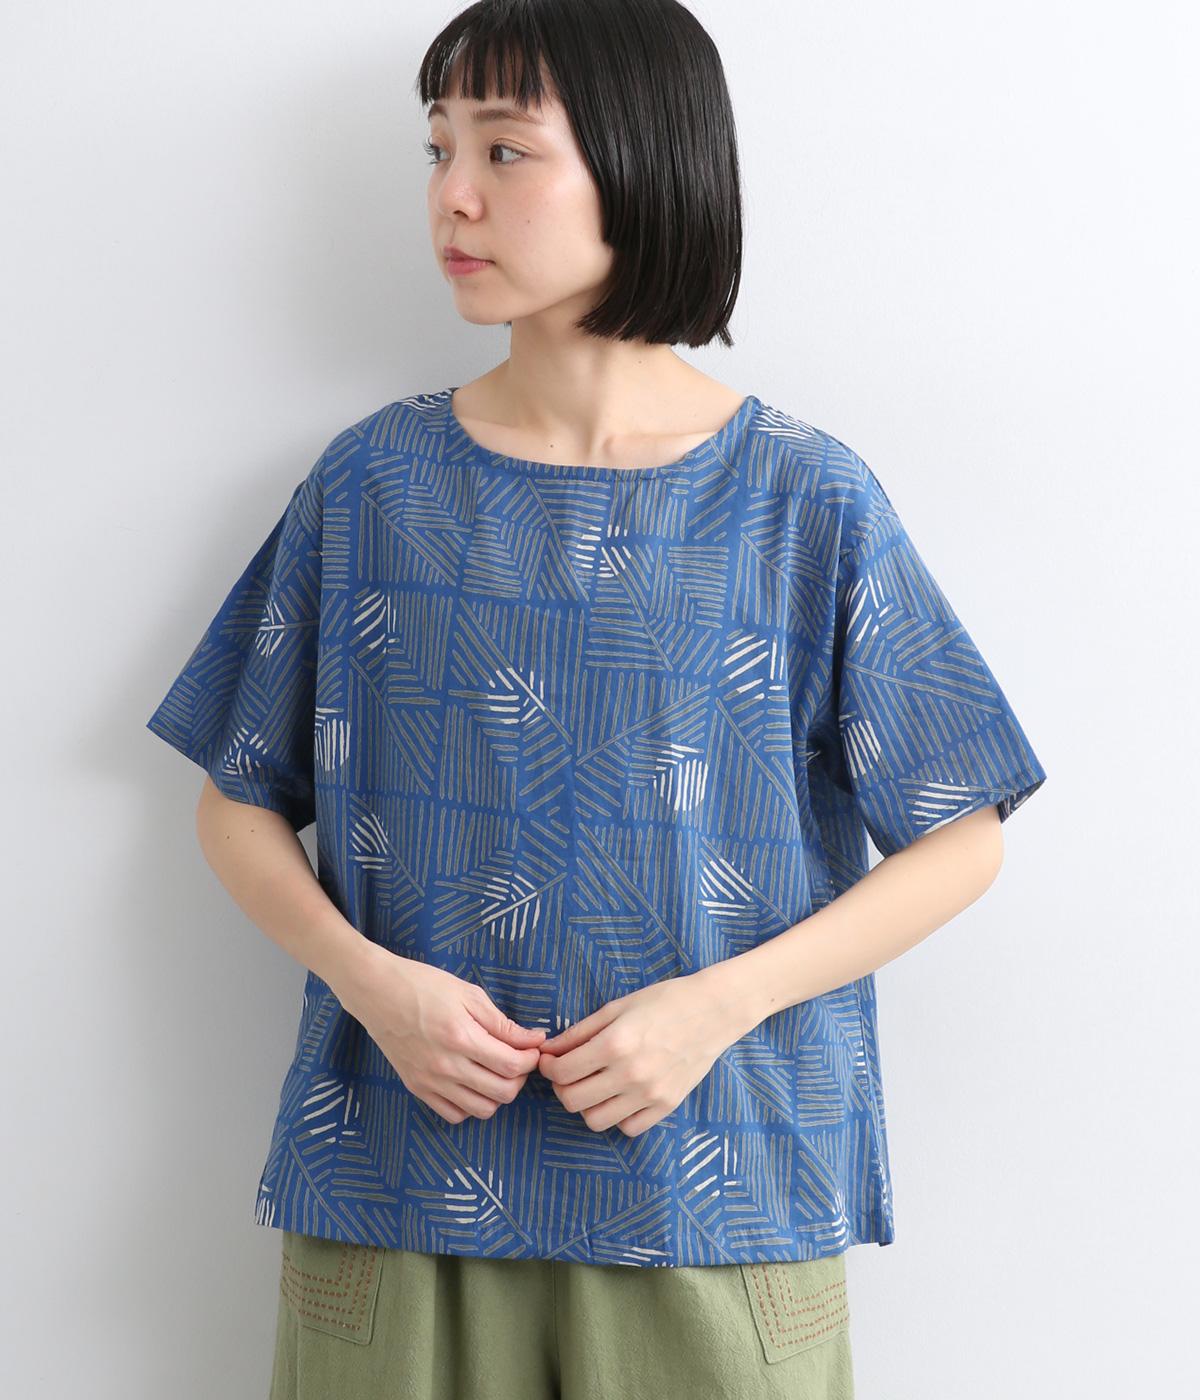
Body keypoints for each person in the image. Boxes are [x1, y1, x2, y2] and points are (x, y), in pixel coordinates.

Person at [145, 2, 1048, 1396]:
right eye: (439, 148)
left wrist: (716, 1007)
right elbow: (235, 801)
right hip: (396, 1188)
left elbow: (963, 834)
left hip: (715, 1196)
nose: (453, 194)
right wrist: (372, 985)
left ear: (643, 163)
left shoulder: (803, 500)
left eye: (505, 151)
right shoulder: (371, 485)